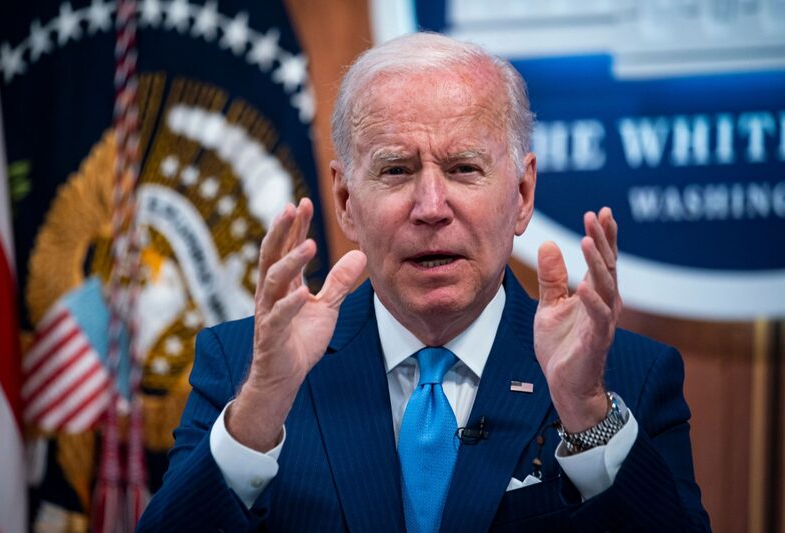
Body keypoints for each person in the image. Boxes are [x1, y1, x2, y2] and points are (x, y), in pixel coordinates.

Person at [138, 32, 710, 531]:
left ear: (522, 194)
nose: (431, 207)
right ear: (346, 200)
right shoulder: (242, 370)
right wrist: (261, 412)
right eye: (396, 170)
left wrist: (586, 414)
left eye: (463, 169)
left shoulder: (625, 378)